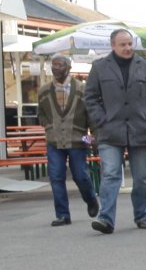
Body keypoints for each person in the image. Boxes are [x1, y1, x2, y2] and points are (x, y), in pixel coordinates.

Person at [83, 28, 146, 233]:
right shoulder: (100, 67)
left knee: (140, 177)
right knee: (111, 174)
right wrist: (101, 119)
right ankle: (106, 219)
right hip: (110, 130)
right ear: (113, 45)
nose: (128, 48)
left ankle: (142, 216)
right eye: (123, 44)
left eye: (130, 44)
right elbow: (90, 97)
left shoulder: (145, 66)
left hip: (139, 129)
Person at [35, 54, 100, 227]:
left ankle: (91, 199)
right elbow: (41, 113)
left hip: (79, 139)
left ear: (68, 67)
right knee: (56, 177)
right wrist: (48, 126)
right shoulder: (44, 91)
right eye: (53, 65)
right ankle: (63, 215)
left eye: (59, 65)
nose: (55, 68)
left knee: (80, 175)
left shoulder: (83, 89)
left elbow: (92, 116)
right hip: (54, 140)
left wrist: (93, 137)